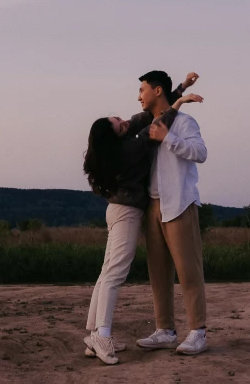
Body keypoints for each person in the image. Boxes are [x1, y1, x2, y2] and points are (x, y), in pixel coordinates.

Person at [82, 73, 202, 365]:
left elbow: (154, 118)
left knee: (110, 270)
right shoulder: (134, 143)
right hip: (135, 211)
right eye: (118, 123)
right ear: (117, 135)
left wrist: (182, 89)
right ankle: (110, 335)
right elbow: (158, 125)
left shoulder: (134, 133)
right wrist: (180, 101)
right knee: (128, 272)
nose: (125, 118)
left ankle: (94, 334)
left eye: (141, 90)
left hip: (148, 207)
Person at [134, 70, 209, 356]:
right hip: (152, 205)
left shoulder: (184, 122)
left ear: (157, 91)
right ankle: (165, 330)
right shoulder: (146, 124)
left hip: (179, 202)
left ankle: (198, 332)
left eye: (142, 90)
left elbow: (201, 153)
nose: (138, 96)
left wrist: (169, 139)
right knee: (158, 272)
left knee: (189, 270)